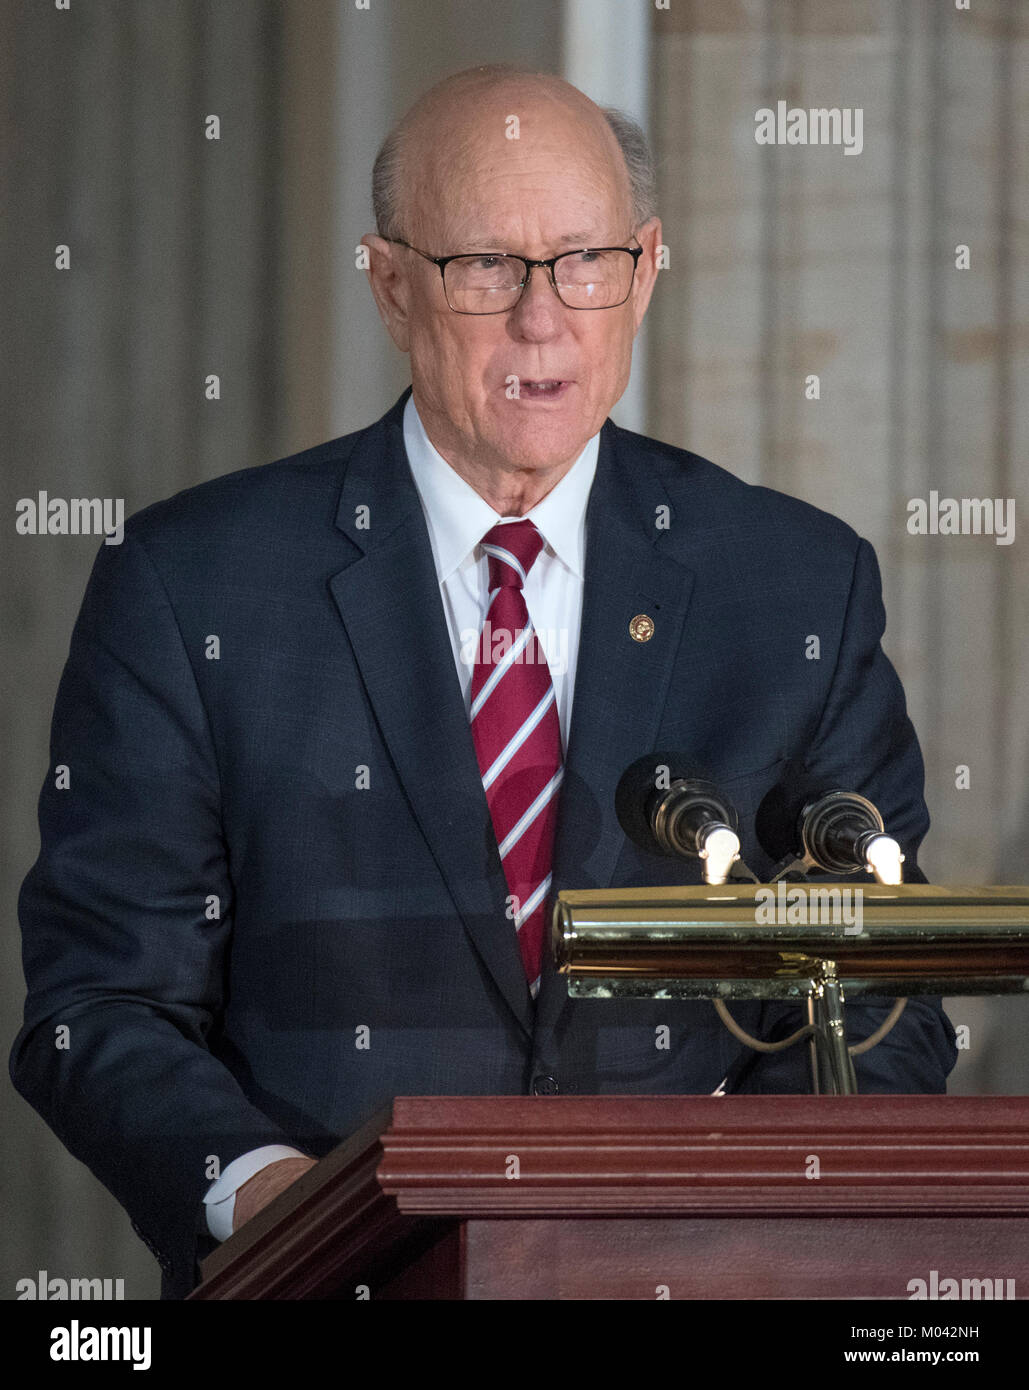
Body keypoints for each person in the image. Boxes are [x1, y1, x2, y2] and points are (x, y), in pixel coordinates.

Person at [10, 65, 957, 1300]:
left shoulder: (794, 585)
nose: (543, 320)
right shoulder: (193, 588)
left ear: (649, 268)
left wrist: (724, 1225)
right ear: (393, 284)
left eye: (585, 263)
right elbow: (102, 1002)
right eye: (485, 270)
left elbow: (890, 991)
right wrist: (277, 1203)